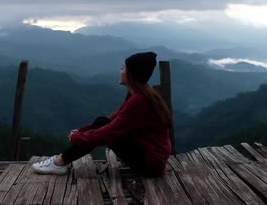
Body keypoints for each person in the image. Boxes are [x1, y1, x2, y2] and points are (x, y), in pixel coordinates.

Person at [32, 51, 172, 177]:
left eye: (123, 68)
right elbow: (114, 117)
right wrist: (82, 130)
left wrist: (78, 138)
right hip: (150, 159)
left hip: (150, 165)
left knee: (103, 126)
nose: (120, 70)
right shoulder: (140, 94)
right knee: (101, 121)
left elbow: (110, 132)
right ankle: (60, 161)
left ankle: (59, 162)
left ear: (132, 74)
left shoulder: (140, 100)